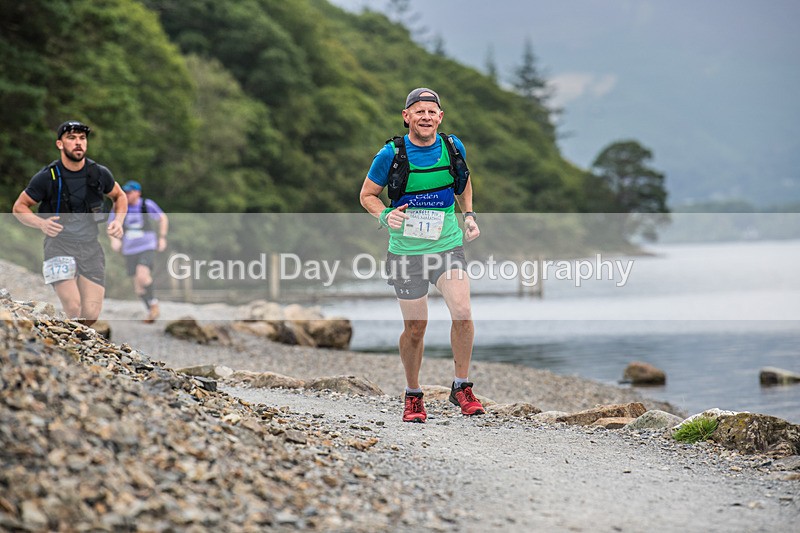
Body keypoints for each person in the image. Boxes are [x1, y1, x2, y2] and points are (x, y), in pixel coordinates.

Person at [359, 88, 483, 423]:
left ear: (439, 117)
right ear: (406, 116)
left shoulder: (453, 148)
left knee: (462, 311)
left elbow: (463, 182)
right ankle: (413, 394)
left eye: (431, 112)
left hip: (446, 246)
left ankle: (461, 386)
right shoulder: (391, 154)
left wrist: (468, 214)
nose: (425, 117)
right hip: (406, 252)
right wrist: (385, 215)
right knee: (416, 328)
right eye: (419, 112)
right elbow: (367, 195)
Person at [12, 120, 127, 326]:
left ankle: (76, 345)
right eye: (71, 138)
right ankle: (69, 347)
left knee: (90, 314)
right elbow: (19, 207)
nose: (78, 143)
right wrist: (41, 224)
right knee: (74, 309)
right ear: (60, 144)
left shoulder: (98, 173)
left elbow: (120, 196)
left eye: (82, 138)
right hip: (58, 246)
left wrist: (118, 221)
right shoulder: (47, 177)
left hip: (91, 247)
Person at [109, 180, 169, 323]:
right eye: (125, 192)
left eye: (130, 192)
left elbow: (163, 218)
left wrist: (162, 238)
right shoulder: (119, 207)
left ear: (138, 193)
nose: (127, 195)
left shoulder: (146, 205)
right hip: (129, 249)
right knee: (138, 287)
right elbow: (112, 225)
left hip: (146, 245)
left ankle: (153, 304)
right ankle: (151, 311)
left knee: (143, 276)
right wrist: (114, 240)